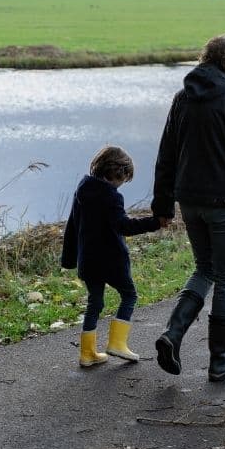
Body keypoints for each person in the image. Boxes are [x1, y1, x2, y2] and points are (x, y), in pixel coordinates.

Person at [151, 34, 225, 382]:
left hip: (189, 201)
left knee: (205, 268)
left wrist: (163, 204)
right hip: (224, 204)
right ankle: (220, 360)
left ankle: (172, 334)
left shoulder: (182, 98)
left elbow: (166, 155)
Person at [61, 145, 165, 368]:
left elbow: (72, 225)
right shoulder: (111, 197)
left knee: (94, 304)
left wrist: (70, 259)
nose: (123, 184)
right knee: (129, 295)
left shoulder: (83, 188)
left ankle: (87, 354)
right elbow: (125, 226)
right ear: (118, 173)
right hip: (111, 261)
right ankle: (117, 343)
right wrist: (155, 222)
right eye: (124, 178)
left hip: (88, 260)